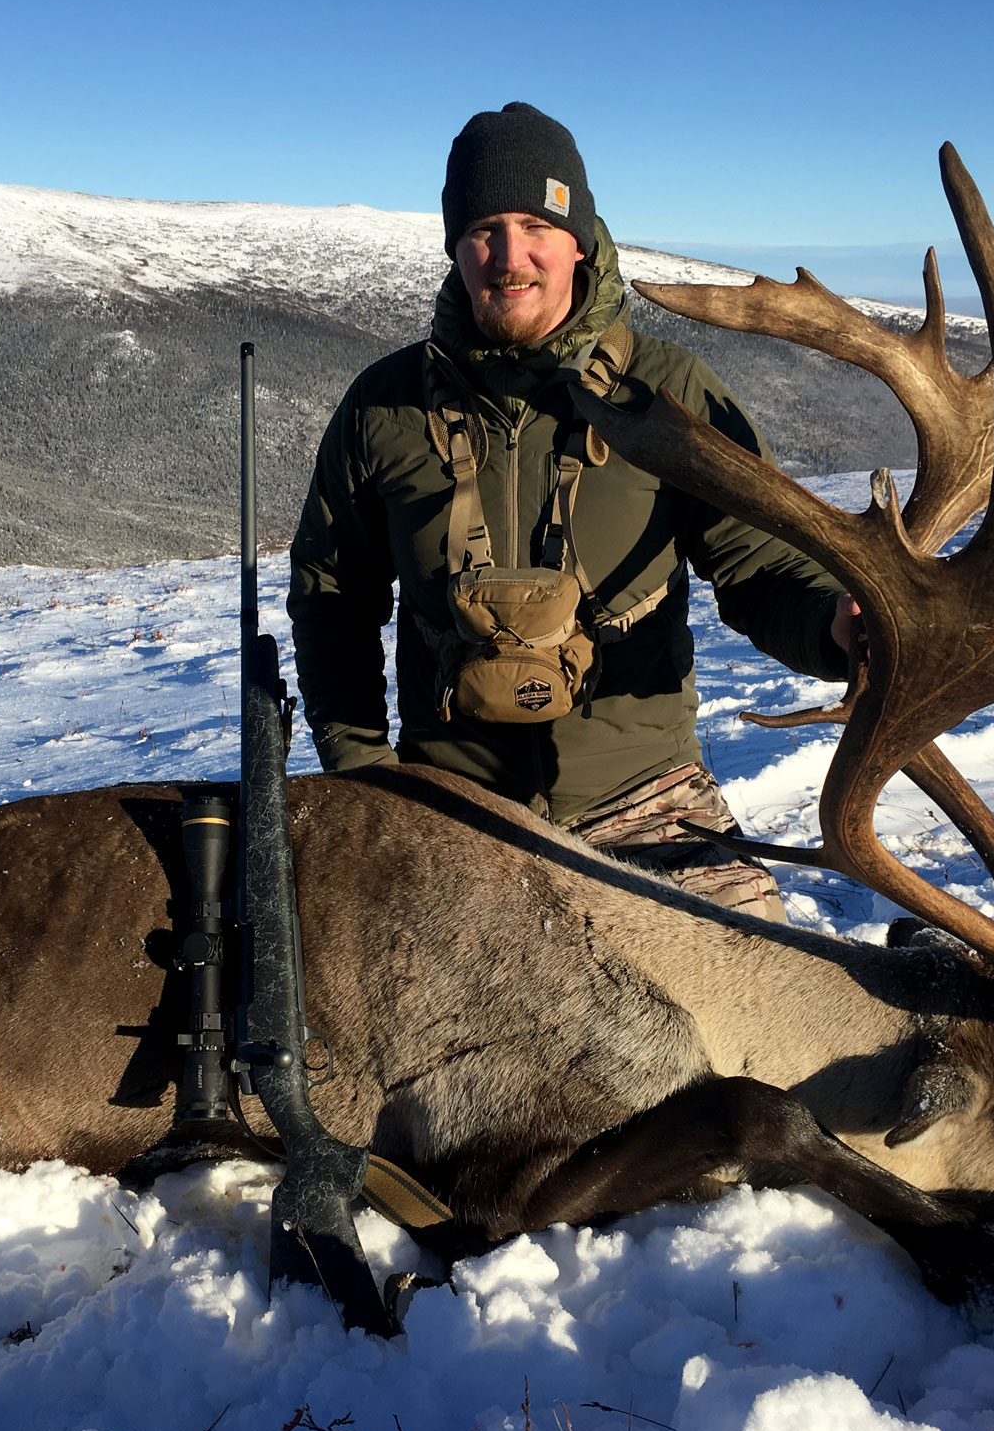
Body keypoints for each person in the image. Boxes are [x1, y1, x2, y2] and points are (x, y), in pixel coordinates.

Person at [287, 102, 853, 922]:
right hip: (448, 804)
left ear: (579, 241)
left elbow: (762, 567)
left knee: (765, 1004)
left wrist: (837, 626)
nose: (509, 257)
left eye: (534, 226)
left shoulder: (673, 395)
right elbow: (333, 598)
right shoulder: (384, 406)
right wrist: (363, 778)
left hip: (649, 801)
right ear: (454, 245)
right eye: (482, 228)